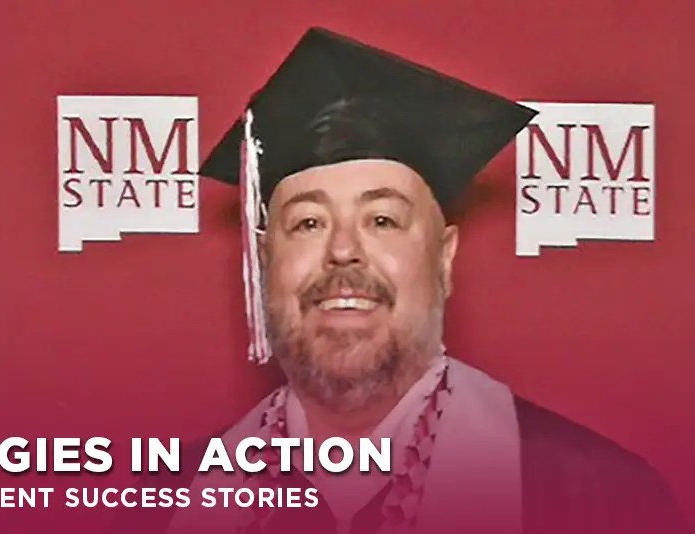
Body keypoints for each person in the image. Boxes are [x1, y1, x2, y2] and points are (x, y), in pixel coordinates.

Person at [112, 27, 690, 534]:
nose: (343, 250)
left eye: (383, 219)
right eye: (308, 222)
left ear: (443, 257)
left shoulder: (596, 498)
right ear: (265, 264)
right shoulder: (164, 509)